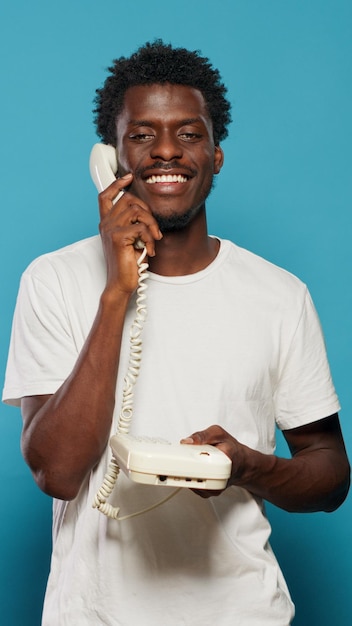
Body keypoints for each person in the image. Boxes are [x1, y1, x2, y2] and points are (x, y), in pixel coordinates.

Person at [2, 40, 350, 625]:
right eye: (141, 135)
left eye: (189, 133)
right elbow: (56, 472)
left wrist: (249, 467)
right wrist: (117, 292)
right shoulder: (53, 280)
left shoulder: (280, 295)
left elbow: (331, 473)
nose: (167, 150)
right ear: (111, 157)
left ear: (216, 155)